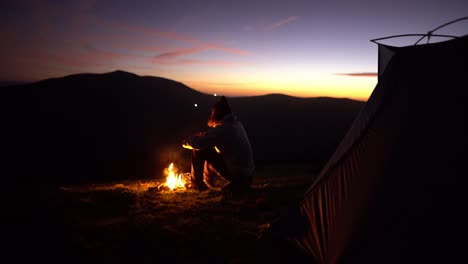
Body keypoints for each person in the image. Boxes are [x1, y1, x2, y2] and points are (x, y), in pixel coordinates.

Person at [182, 96, 255, 192]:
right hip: (246, 174)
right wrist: (204, 136)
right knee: (208, 147)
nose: (211, 116)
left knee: (199, 149)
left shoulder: (225, 129)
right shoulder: (235, 124)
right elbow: (214, 136)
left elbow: (197, 143)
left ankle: (196, 184)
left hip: (238, 174)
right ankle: (207, 182)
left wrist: (185, 141)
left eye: (213, 113)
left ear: (219, 113)